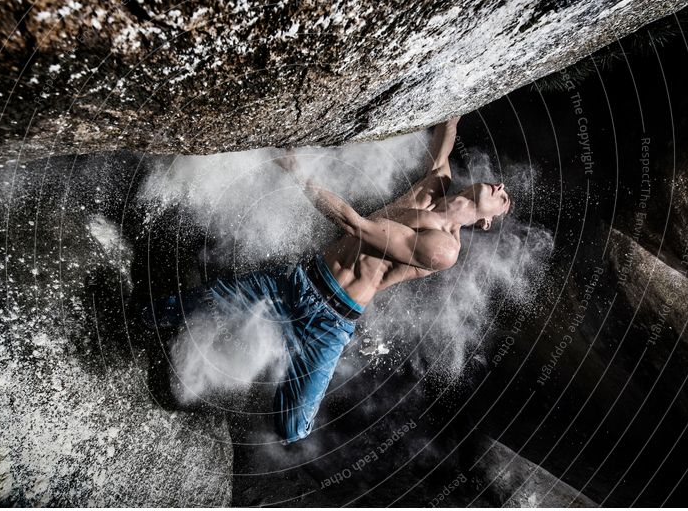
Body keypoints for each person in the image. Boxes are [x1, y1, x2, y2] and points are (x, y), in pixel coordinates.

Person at [139, 115, 512, 443]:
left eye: (504, 199)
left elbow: (357, 225)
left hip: (329, 323)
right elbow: (449, 123)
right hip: (297, 283)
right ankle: (136, 323)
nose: (500, 188)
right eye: (500, 186)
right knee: (181, 307)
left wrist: (299, 174)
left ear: (485, 222)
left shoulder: (444, 249)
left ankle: (269, 366)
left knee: (291, 430)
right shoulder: (435, 184)